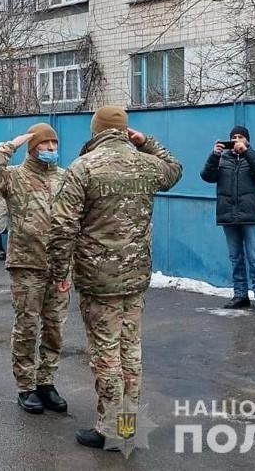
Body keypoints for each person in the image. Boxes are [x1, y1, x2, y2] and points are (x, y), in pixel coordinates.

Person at [47, 106, 183, 450]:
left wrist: (60, 272)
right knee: (130, 353)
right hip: (135, 277)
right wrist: (146, 141)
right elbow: (175, 169)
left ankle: (111, 428)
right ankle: (127, 425)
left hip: (98, 279)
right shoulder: (147, 164)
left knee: (106, 355)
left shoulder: (83, 168)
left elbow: (62, 226)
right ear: (124, 131)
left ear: (95, 132)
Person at [0, 123, 69, 414]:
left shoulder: (65, 178)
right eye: (45, 144)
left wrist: (68, 266)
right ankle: (26, 386)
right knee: (27, 327)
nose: (51, 149)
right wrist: (9, 146)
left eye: (54, 144)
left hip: (59, 266)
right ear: (32, 147)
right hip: (26, 264)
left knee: (54, 329)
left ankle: (46, 382)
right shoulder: (15, 177)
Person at [200, 125, 255, 313]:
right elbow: (206, 176)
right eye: (234, 137)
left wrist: (247, 153)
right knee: (236, 258)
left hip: (251, 216)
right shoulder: (223, 159)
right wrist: (214, 156)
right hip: (229, 216)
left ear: (247, 140)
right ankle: (240, 295)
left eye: (241, 137)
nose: (237, 140)